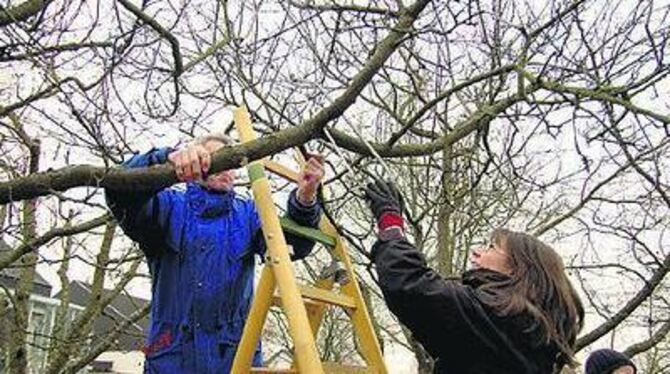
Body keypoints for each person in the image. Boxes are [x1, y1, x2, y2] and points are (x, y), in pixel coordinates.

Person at [105, 133, 325, 373]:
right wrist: (164, 158)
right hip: (172, 362)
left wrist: (305, 199)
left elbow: (291, 247)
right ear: (196, 160)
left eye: (231, 163)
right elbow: (119, 189)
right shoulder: (168, 207)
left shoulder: (249, 215)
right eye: (217, 159)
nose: (225, 168)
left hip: (234, 361)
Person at [364, 180, 584, 373]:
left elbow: (409, 285)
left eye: (491, 247)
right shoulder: (530, 333)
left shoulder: (500, 319)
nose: (477, 252)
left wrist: (390, 222)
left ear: (518, 270)